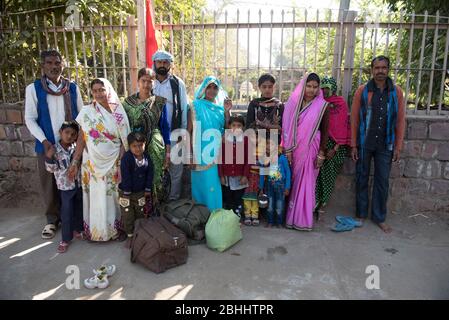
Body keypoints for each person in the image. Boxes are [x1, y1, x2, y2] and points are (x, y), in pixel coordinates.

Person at [24, 49, 84, 239]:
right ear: (42, 66)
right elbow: (30, 118)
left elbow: (81, 116)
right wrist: (44, 141)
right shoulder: (34, 89)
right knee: (49, 183)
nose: (53, 66)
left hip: (72, 147)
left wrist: (78, 143)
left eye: (57, 63)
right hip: (48, 146)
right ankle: (52, 220)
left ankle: (75, 221)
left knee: (74, 181)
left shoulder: (72, 88)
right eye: (49, 63)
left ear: (62, 65)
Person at [350, 56, 406, 233]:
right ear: (372, 70)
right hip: (365, 143)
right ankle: (360, 214)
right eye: (377, 67)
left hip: (385, 144)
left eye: (384, 67)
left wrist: (398, 146)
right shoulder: (363, 91)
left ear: (388, 70)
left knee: (382, 181)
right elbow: (354, 119)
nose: (380, 71)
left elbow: (400, 121)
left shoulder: (396, 92)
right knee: (361, 177)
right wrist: (353, 145)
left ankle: (379, 217)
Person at [72, 78, 131, 242]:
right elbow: (82, 138)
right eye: (95, 90)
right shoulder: (87, 112)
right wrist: (75, 161)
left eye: (101, 90)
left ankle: (114, 230)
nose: (98, 93)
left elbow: (124, 140)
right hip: (91, 163)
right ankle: (96, 232)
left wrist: (120, 162)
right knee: (96, 196)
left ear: (109, 90)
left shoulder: (119, 113)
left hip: (113, 162)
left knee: (112, 197)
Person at [282, 73, 330, 231]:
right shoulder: (293, 104)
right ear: (303, 86)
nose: (311, 89)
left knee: (307, 181)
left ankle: (303, 220)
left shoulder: (322, 105)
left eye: (315, 87)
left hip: (311, 148)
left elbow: (325, 131)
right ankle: (289, 216)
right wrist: (287, 148)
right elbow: (287, 127)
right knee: (293, 181)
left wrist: (322, 153)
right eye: (308, 86)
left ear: (318, 88)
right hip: (294, 149)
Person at [123, 68, 170, 205]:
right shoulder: (128, 103)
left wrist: (167, 151)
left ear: (154, 83)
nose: (146, 84)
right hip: (134, 145)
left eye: (150, 81)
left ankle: (154, 207)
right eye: (143, 81)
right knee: (136, 174)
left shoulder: (159, 102)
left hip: (155, 145)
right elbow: (123, 126)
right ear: (138, 82)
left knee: (155, 175)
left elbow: (165, 128)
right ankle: (138, 208)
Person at [188, 76, 232, 211]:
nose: (212, 91)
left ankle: (214, 220)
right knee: (199, 188)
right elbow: (188, 131)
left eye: (215, 88)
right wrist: (190, 155)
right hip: (197, 154)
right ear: (204, 88)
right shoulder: (195, 105)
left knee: (213, 187)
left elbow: (227, 131)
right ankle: (199, 219)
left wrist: (227, 112)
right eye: (209, 87)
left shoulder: (220, 110)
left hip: (214, 156)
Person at [152, 50, 189, 201]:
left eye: (165, 62)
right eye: (159, 62)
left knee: (176, 169)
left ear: (170, 65)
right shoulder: (149, 81)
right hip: (154, 134)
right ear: (154, 63)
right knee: (154, 169)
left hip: (175, 132)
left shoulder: (177, 83)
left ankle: (173, 202)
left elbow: (183, 107)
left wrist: (183, 132)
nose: (162, 65)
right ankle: (155, 202)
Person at [315, 76, 351, 220]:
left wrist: (334, 148)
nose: (324, 91)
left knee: (329, 177)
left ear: (333, 89)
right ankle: (315, 203)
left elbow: (342, 126)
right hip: (321, 144)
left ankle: (323, 204)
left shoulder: (340, 103)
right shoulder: (319, 103)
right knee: (318, 176)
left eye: (327, 88)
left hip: (336, 147)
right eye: (322, 88)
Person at [45, 121, 84, 253]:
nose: (69, 136)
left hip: (78, 184)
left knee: (79, 209)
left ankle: (78, 230)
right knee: (66, 213)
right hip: (65, 188)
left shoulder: (76, 147)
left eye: (73, 134)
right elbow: (51, 169)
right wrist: (49, 156)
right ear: (60, 133)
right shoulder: (55, 149)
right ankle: (65, 239)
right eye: (66, 133)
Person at [118, 132, 154, 239]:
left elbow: (150, 174)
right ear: (129, 146)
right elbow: (126, 177)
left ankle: (139, 233)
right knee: (128, 214)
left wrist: (148, 189)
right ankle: (130, 235)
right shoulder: (126, 159)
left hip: (140, 193)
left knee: (140, 212)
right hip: (126, 193)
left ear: (145, 144)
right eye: (134, 146)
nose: (138, 149)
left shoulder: (147, 158)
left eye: (140, 145)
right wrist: (127, 193)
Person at [218, 115, 250, 217]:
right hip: (227, 176)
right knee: (227, 197)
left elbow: (248, 159)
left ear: (243, 127)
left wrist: (245, 175)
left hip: (240, 176)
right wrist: (221, 175)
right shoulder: (225, 140)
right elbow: (220, 159)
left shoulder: (246, 140)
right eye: (233, 125)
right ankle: (228, 217)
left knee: (238, 198)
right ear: (229, 126)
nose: (236, 128)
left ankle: (237, 217)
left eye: (239, 125)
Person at [258, 141, 291, 228]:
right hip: (269, 186)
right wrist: (261, 188)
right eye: (267, 148)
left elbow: (288, 172)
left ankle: (279, 222)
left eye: (270, 148)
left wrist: (287, 187)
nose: (268, 150)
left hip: (281, 186)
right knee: (270, 205)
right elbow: (262, 174)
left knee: (279, 205)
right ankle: (270, 221)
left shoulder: (282, 158)